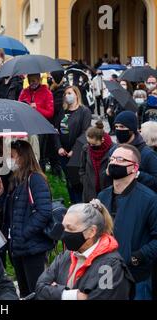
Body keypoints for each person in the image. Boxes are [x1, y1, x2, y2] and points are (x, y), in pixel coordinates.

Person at [36, 200, 134, 300]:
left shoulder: (110, 266)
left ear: (91, 231)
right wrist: (75, 296)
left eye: (70, 228)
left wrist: (55, 292)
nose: (64, 233)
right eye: (63, 227)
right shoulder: (65, 256)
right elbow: (40, 288)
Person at [0, 140, 54, 298]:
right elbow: (14, 212)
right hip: (18, 247)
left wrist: (24, 233)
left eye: (11, 156)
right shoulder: (17, 179)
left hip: (32, 247)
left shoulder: (36, 179)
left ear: (23, 157)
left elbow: (44, 212)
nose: (8, 160)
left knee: (37, 292)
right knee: (25, 293)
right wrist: (1, 195)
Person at [98, 144, 157, 300]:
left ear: (134, 167)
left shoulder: (149, 199)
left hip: (136, 275)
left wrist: (137, 257)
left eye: (120, 159)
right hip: (106, 270)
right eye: (111, 159)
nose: (113, 163)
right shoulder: (102, 197)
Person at [56, 86, 92, 204]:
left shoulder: (84, 111)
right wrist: (59, 147)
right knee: (68, 179)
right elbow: (55, 130)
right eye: (65, 94)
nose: (67, 96)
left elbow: (85, 132)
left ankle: (80, 203)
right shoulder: (62, 111)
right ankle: (73, 203)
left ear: (76, 95)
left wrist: (75, 150)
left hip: (77, 152)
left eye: (70, 93)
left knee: (77, 180)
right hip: (63, 152)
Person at [110, 111, 157, 192]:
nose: (118, 130)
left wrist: (136, 173)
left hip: (141, 200)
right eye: (116, 127)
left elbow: (155, 182)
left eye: (122, 127)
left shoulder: (147, 153)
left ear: (132, 129)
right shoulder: (113, 150)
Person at [79, 120, 114, 202]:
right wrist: (85, 181)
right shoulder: (86, 149)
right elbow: (82, 168)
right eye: (89, 143)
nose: (91, 146)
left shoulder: (113, 150)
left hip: (107, 190)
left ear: (102, 140)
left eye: (94, 144)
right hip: (90, 192)